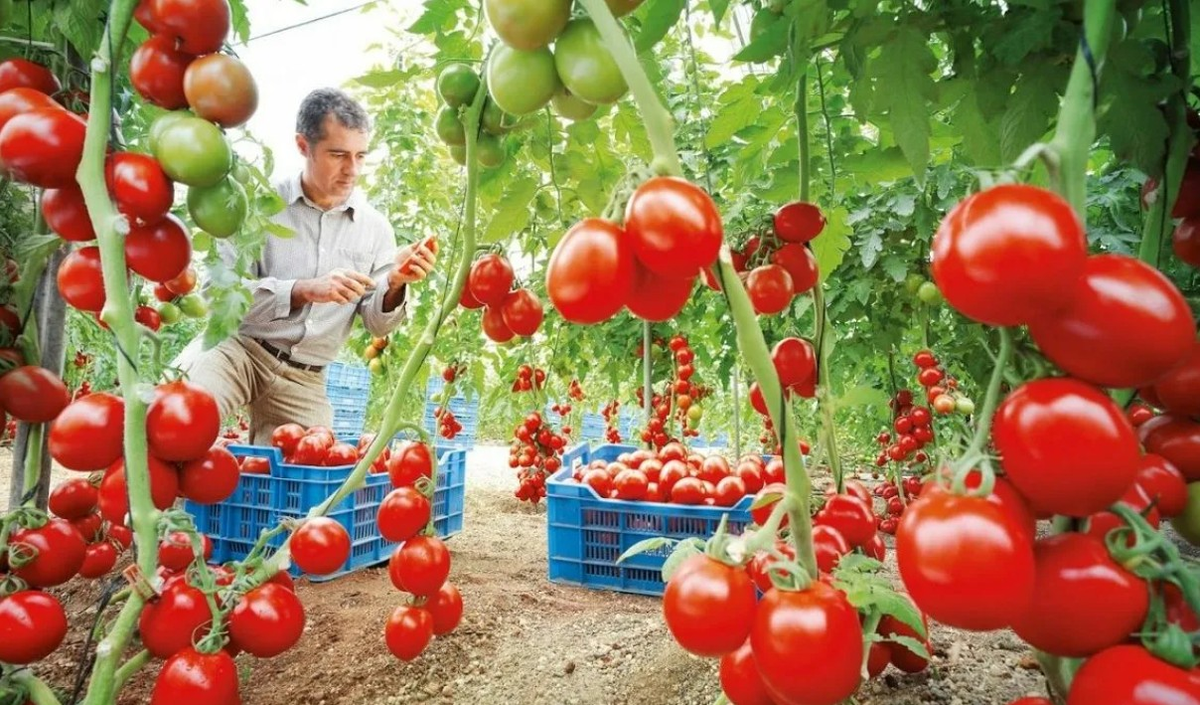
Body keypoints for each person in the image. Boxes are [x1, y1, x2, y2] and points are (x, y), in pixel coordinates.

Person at [175, 87, 437, 446]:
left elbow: (377, 322)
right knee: (182, 419)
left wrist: (394, 283)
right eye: (338, 155)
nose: (352, 170)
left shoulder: (375, 230)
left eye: (361, 156)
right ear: (303, 146)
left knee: (306, 474)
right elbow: (218, 295)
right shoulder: (258, 206)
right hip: (238, 349)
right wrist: (302, 289)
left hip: (305, 377)